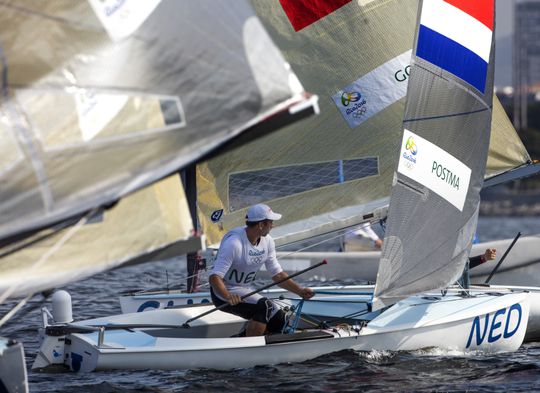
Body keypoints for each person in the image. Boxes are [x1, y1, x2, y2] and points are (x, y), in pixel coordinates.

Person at [209, 203, 315, 336]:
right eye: (270, 222)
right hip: (223, 294)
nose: (273, 225)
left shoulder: (268, 241)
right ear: (260, 225)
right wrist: (227, 296)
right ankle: (248, 350)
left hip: (242, 290)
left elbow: (277, 275)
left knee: (280, 320)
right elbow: (214, 277)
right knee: (265, 306)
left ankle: (238, 342)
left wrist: (299, 291)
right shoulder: (234, 243)